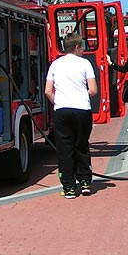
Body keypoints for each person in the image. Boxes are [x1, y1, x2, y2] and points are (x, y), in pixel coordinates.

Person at [45, 33, 98, 199]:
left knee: (65, 148)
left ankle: (68, 186)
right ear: (76, 47)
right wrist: (80, 95)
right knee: (81, 145)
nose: (82, 50)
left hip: (62, 109)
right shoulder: (85, 63)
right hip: (82, 108)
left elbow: (47, 90)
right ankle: (84, 182)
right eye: (81, 47)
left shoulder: (55, 64)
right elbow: (93, 90)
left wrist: (58, 101)